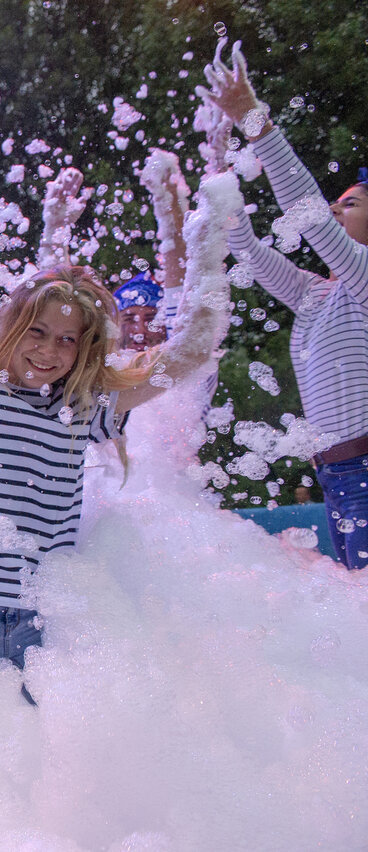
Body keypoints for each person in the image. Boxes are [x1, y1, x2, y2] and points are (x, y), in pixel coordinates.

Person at [0, 142, 235, 698]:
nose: (48, 351)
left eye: (68, 340)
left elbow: (189, 355)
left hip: (46, 614)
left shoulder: (81, 407)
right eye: (37, 332)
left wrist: (208, 243)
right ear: (11, 330)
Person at [198, 40, 368, 570]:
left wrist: (253, 118)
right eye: (338, 201)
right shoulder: (320, 292)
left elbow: (307, 213)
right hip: (337, 477)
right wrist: (221, 181)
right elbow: (247, 250)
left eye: (351, 203)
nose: (336, 209)